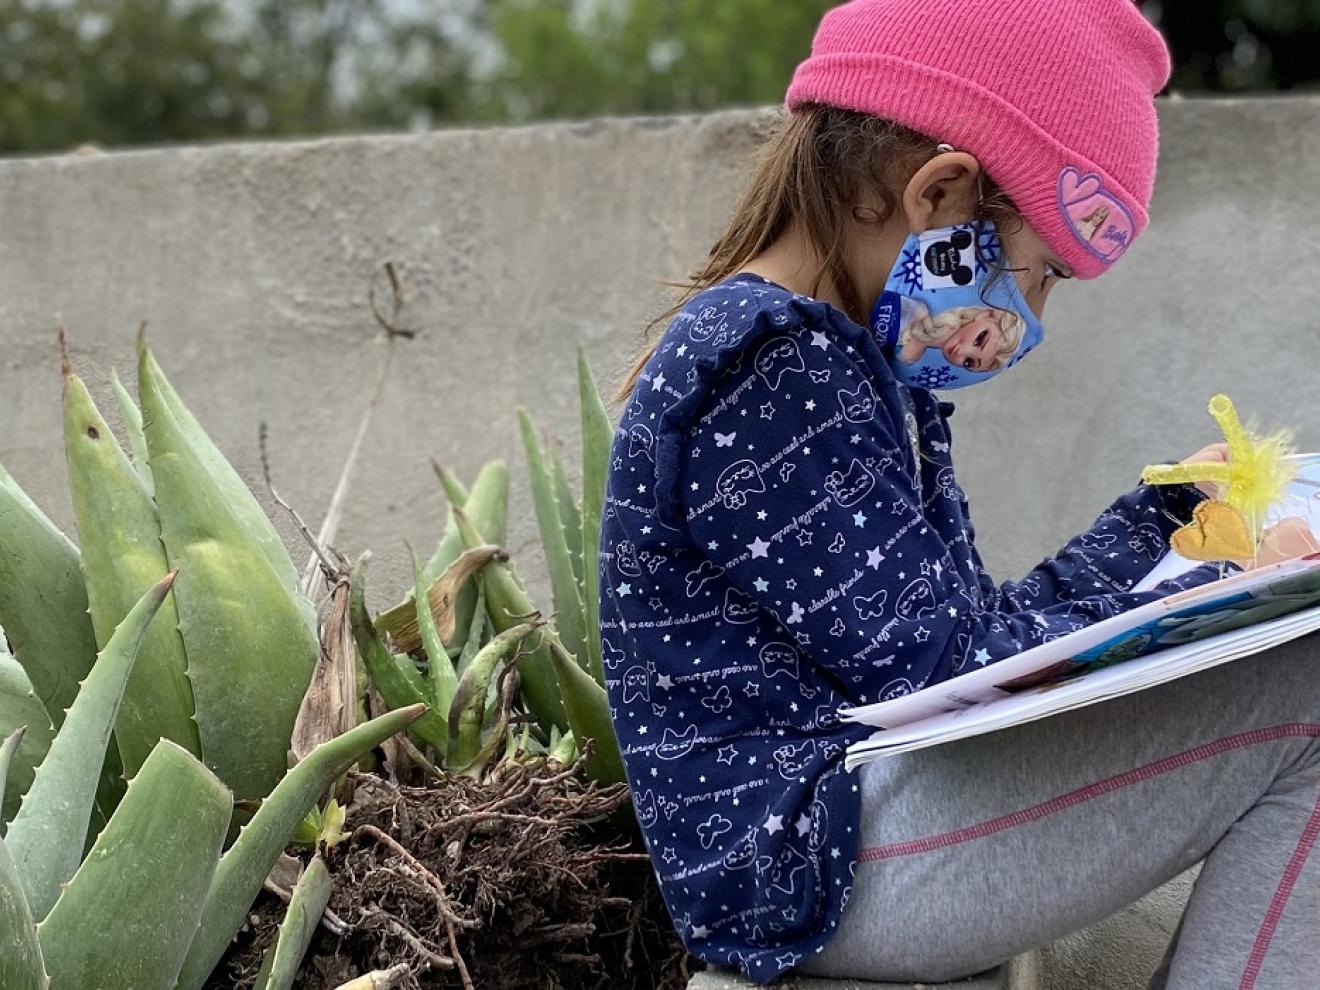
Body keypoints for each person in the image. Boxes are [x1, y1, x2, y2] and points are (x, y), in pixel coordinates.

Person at [596, 2, 1320, 987]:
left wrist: (1171, 529)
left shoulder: (861, 377)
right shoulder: (773, 374)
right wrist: (1211, 582)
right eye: (1045, 273)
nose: (1033, 316)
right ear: (938, 195)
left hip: (851, 831)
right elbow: (943, 674)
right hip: (813, 865)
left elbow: (972, 640)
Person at [895, 301, 1026, 373]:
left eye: (968, 362)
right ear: (985, 316)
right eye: (979, 340)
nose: (961, 352)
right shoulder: (914, 310)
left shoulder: (910, 361)